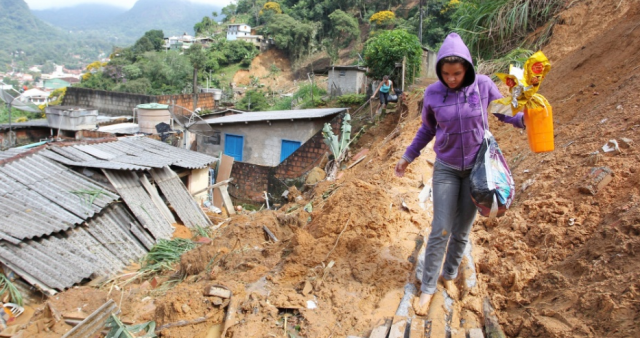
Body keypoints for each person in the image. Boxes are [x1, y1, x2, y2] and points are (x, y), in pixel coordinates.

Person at [394, 32, 525, 316]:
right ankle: (428, 287)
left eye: (457, 73)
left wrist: (525, 120)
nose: (451, 79)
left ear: (467, 67)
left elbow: (503, 111)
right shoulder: (432, 94)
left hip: (477, 171)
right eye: (445, 73)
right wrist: (408, 156)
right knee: (441, 227)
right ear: (439, 70)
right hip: (447, 169)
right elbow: (427, 129)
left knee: (462, 231)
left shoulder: (482, 86)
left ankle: (450, 275)